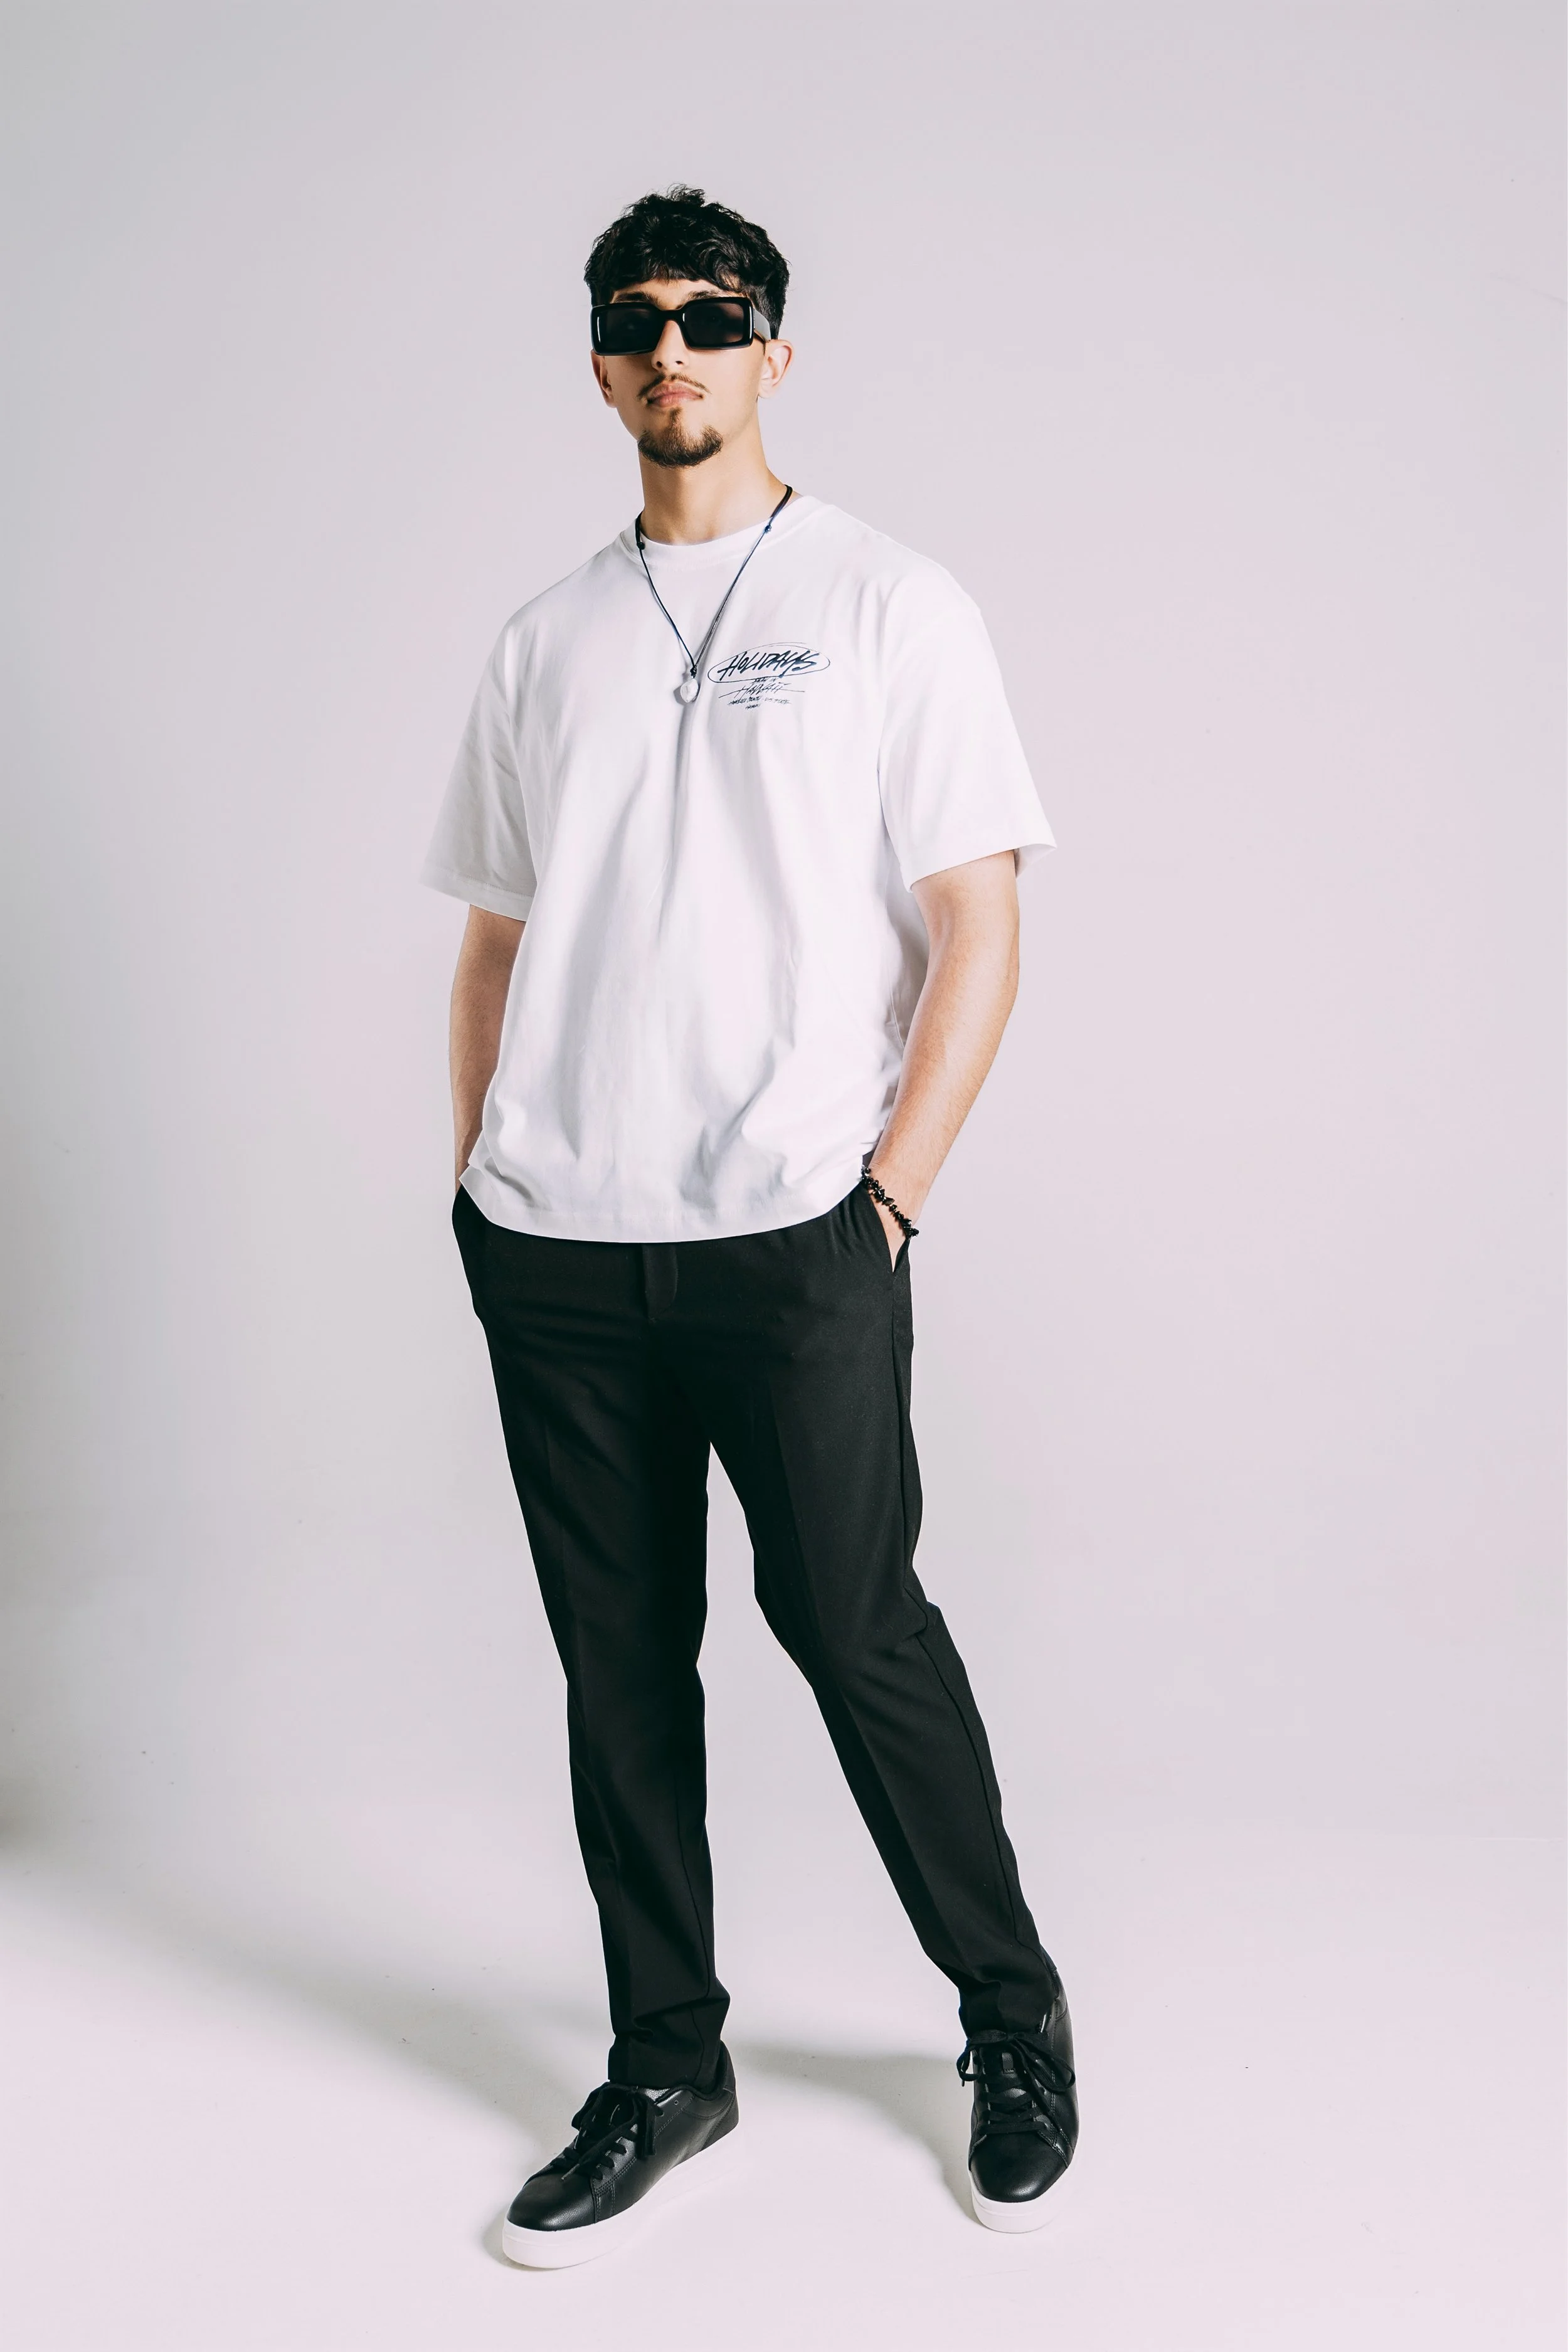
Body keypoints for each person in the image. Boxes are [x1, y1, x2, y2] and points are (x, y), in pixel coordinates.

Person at [423, 185, 1076, 2266]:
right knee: (617, 1665)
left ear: (776, 349)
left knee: (854, 1626)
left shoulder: (892, 605)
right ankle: (664, 2060)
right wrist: (483, 1171)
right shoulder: (544, 640)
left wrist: (886, 1197)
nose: (673, 350)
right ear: (600, 361)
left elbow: (977, 921)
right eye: (637, 321)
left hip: (795, 1226)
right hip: (558, 1248)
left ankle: (1012, 2015)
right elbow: (495, 938)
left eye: (714, 317)